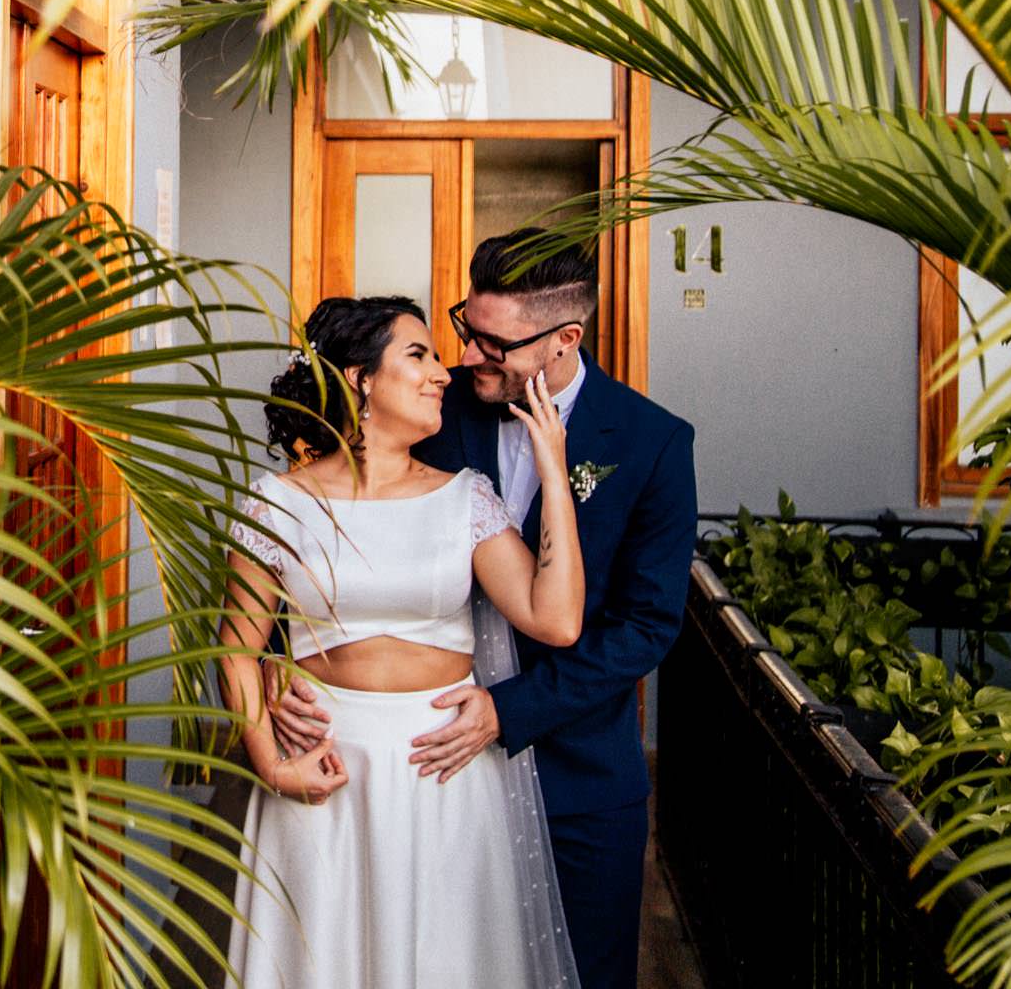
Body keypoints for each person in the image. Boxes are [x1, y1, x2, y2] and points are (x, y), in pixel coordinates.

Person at [270, 231, 698, 989]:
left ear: (565, 340)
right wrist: (281, 672)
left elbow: (645, 626)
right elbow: (320, 551)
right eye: (466, 329)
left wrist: (510, 709)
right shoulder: (429, 409)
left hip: (576, 777)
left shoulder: (652, 442)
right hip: (414, 780)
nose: (465, 359)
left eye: (493, 345)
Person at [219, 294, 586, 989]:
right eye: (419, 355)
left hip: (441, 771)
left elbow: (556, 617)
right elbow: (236, 649)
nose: (442, 374)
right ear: (360, 379)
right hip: (323, 766)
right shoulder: (277, 502)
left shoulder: (465, 499)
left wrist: (553, 468)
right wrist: (272, 764)